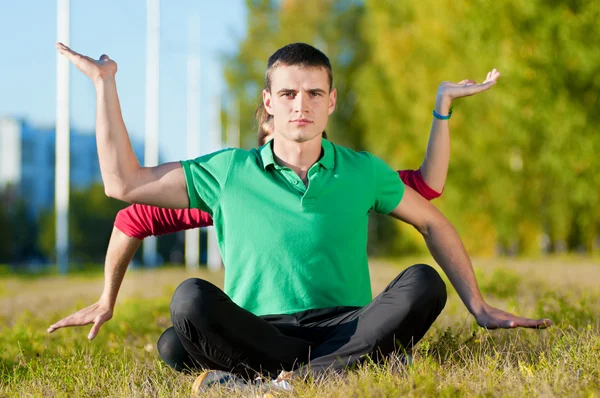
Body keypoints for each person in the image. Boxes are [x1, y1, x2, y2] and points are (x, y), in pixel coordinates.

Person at [49, 41, 551, 392]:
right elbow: (123, 185)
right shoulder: (228, 171)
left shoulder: (362, 171)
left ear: (331, 102)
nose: (301, 106)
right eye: (288, 94)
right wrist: (103, 85)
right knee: (188, 303)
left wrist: (480, 306)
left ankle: (271, 382)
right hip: (260, 328)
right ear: (268, 103)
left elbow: (432, 217)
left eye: (314, 93)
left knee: (423, 283)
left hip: (346, 325)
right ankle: (338, 371)